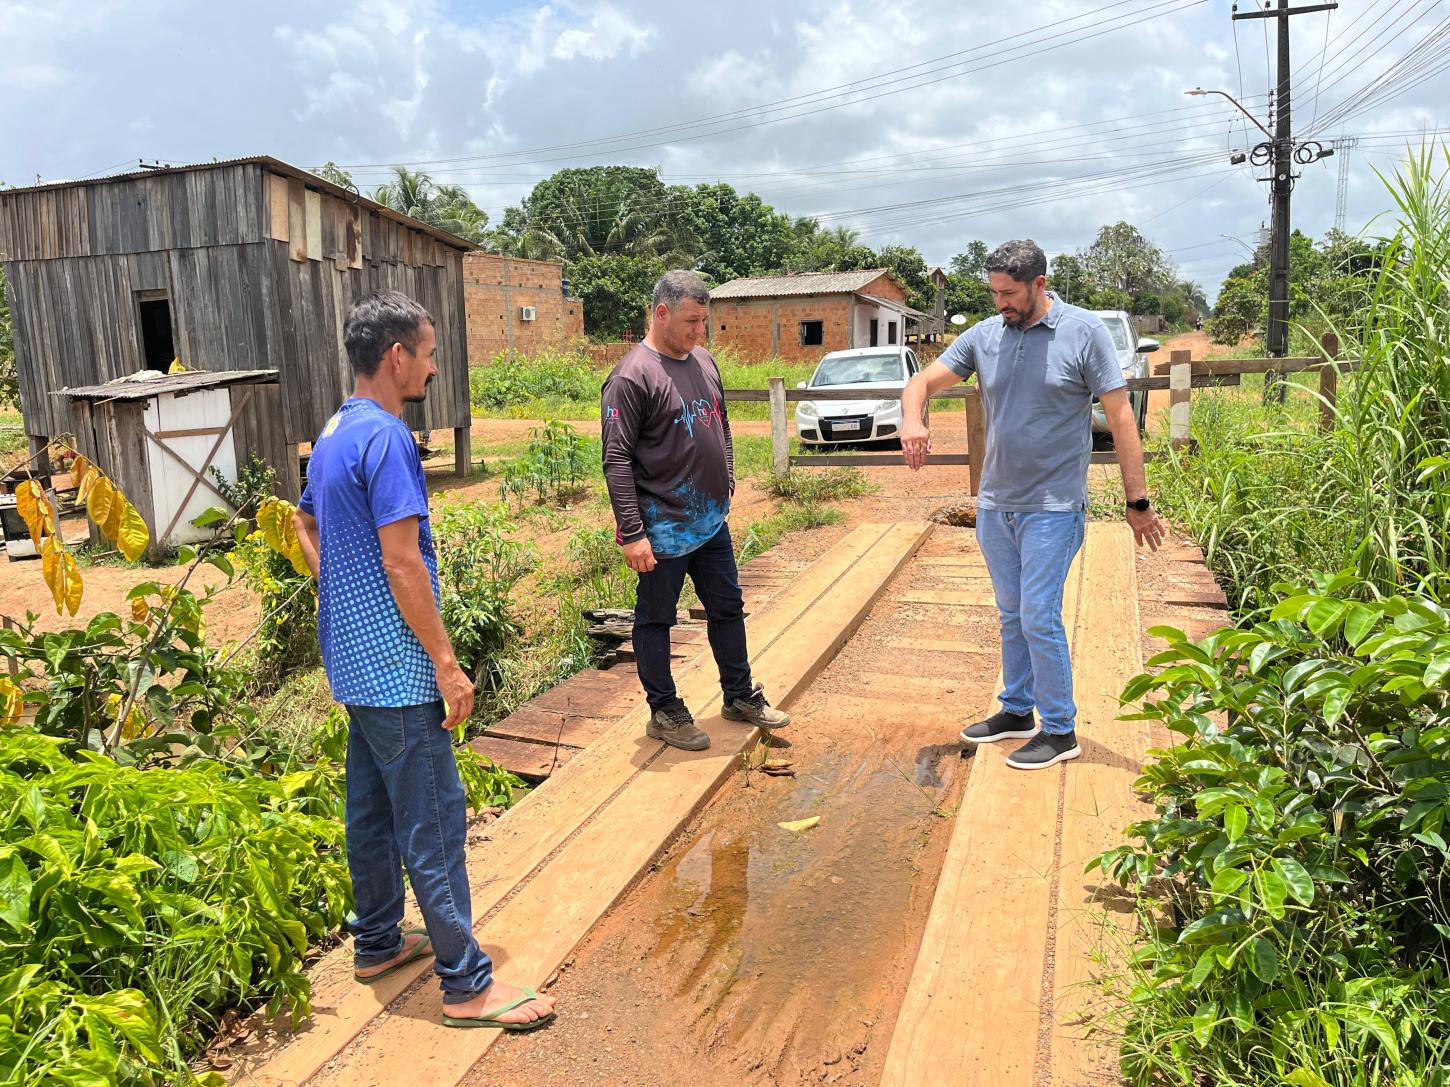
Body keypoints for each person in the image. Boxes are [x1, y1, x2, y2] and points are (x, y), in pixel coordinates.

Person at [295, 290, 556, 1030]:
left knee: (370, 810)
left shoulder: (336, 430)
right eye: (430, 353)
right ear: (396, 356)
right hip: (400, 668)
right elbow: (404, 562)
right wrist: (446, 661)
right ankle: (468, 982)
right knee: (435, 820)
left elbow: (304, 519)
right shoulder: (388, 439)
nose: (434, 368)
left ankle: (377, 939)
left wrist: (337, 590)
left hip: (351, 662)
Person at [901, 240, 1166, 771]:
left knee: (1038, 615)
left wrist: (1137, 499)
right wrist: (913, 416)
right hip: (997, 505)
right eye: (994, 291)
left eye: (1009, 292)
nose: (1000, 302)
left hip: (1054, 505)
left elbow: (1121, 418)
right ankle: (1017, 711)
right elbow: (922, 380)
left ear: (1039, 284)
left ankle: (1061, 728)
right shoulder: (985, 335)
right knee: (1012, 613)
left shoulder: (1083, 332)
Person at [601, 270, 790, 751]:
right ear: (661, 313)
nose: (699, 333)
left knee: (727, 609)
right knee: (656, 619)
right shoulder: (631, 377)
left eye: (703, 322)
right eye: (690, 321)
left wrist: (725, 479)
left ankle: (739, 696)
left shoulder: (703, 360)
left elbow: (722, 425)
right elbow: (616, 459)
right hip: (661, 531)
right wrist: (632, 533)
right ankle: (664, 710)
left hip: (710, 523)